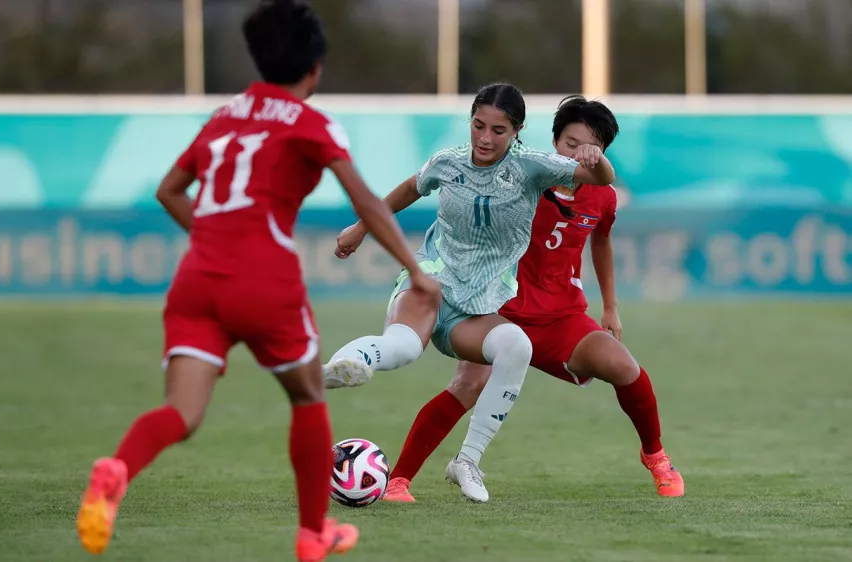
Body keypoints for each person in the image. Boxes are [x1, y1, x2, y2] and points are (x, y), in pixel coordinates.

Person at [73, 2, 439, 561]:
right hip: (264, 281)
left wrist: (211, 239)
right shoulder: (312, 122)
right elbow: (363, 199)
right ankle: (313, 534)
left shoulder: (223, 117)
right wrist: (415, 271)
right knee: (308, 395)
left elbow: (169, 190)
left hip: (198, 279)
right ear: (314, 69)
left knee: (181, 412)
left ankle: (117, 469)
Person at [380, 95, 684, 504]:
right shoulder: (521, 178)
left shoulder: (602, 196)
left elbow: (602, 240)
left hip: (562, 317)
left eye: (589, 147)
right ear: (553, 143)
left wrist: (610, 305)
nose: (578, 154)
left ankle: (656, 457)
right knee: (468, 384)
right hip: (498, 309)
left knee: (624, 366)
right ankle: (398, 481)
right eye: (570, 144)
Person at [321, 84, 617, 499]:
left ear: (517, 131)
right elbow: (409, 188)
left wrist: (595, 159)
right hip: (430, 281)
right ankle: (346, 364)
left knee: (516, 345)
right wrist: (360, 228)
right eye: (478, 125)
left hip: (476, 307)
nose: (484, 138)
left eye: (498, 130)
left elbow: (603, 179)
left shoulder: (534, 167)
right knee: (404, 346)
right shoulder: (448, 162)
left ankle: (468, 461)